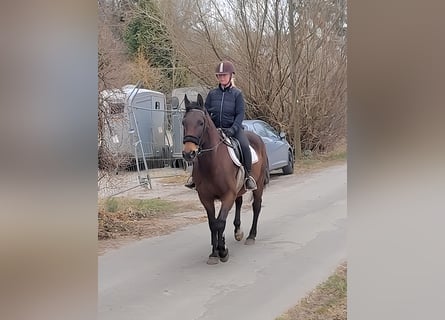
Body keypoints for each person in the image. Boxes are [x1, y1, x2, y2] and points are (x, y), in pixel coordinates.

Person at [185, 60, 257, 190]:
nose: (222, 78)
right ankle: (194, 177)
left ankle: (248, 177)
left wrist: (233, 129)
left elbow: (240, 114)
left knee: (245, 146)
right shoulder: (212, 94)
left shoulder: (237, 94)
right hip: (215, 129)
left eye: (224, 75)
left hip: (233, 129)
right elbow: (205, 113)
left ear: (231, 76)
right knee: (199, 148)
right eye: (220, 75)